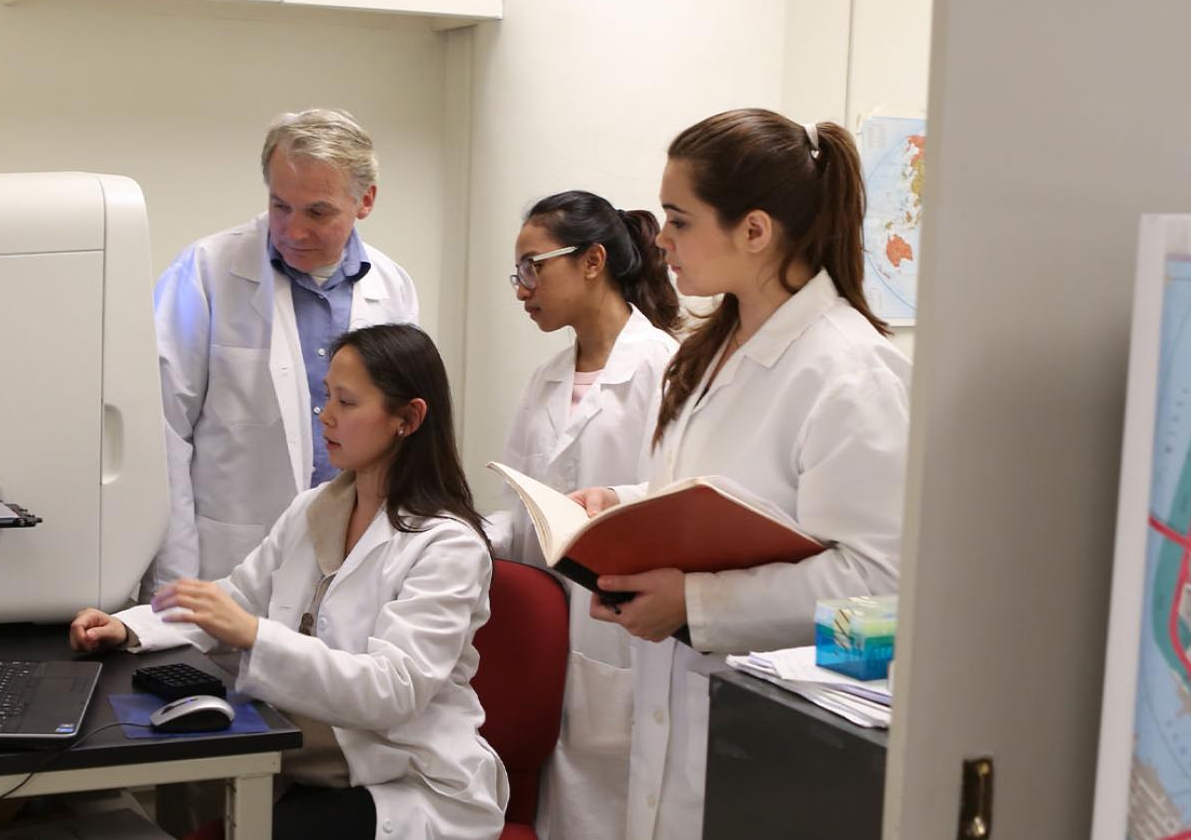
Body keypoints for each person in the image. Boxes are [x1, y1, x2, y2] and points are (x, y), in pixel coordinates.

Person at [570, 109, 911, 840]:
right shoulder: (714, 348)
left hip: (774, 743)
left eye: (678, 218)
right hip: (682, 713)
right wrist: (622, 503)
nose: (659, 239)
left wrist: (697, 603)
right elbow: (724, 494)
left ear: (754, 231)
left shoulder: (850, 373)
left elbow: (878, 586)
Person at [72, 323, 507, 840]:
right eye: (327, 397)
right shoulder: (314, 509)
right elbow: (235, 600)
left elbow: (393, 691)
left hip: (405, 782)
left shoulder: (448, 545)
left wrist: (254, 634)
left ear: (407, 419)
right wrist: (129, 628)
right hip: (309, 766)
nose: (326, 415)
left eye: (347, 402)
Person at [149, 109, 419, 591]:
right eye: (280, 207)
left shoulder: (392, 286)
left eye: (317, 212)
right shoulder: (207, 271)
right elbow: (162, 430)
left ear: (365, 201)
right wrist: (175, 578)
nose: (293, 231)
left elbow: (401, 434)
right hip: (230, 557)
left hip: (353, 556)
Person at [487, 189, 681, 840]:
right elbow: (516, 515)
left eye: (532, 267)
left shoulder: (663, 369)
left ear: (592, 261)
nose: (522, 288)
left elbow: (672, 508)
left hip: (621, 636)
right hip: (547, 640)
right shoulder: (544, 379)